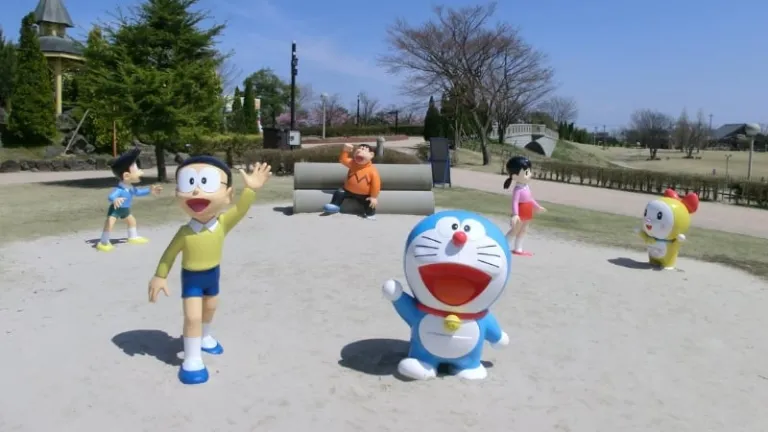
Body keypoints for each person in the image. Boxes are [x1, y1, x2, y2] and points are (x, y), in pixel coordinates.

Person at [147, 157, 272, 385]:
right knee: (192, 317)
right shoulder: (185, 233)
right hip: (192, 279)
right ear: (178, 194)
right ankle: (192, 358)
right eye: (188, 184)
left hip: (212, 275)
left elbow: (241, 209)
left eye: (206, 183)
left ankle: (204, 337)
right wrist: (160, 276)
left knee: (211, 307)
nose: (196, 191)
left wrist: (251, 190)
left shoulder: (222, 224)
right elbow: (169, 255)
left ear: (228, 194)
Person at [96, 148, 162, 252]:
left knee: (132, 221)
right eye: (136, 169)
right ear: (126, 176)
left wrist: (149, 190)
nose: (141, 172)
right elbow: (111, 196)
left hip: (125, 210)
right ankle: (104, 241)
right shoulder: (120, 189)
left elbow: (138, 193)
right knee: (109, 224)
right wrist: (115, 199)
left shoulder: (130, 188)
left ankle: (133, 236)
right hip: (115, 210)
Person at [322, 143, 381, 219]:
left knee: (370, 203)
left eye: (363, 150)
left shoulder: (372, 171)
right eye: (358, 150)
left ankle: (370, 214)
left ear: (371, 155)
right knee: (339, 192)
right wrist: (345, 151)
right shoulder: (353, 163)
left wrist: (373, 197)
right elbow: (343, 160)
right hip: (347, 191)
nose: (359, 151)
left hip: (364, 195)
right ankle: (335, 205)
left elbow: (376, 185)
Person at [503, 156, 546, 256]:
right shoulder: (517, 189)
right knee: (515, 230)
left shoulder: (526, 187)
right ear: (514, 176)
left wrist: (537, 206)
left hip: (527, 209)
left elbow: (530, 198)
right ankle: (503, 245)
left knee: (523, 230)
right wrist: (515, 214)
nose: (530, 174)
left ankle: (518, 248)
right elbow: (514, 202)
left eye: (529, 172)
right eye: (526, 173)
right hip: (520, 211)